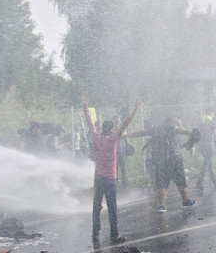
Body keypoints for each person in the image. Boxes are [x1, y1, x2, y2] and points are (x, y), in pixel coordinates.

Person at [83, 100, 139, 243]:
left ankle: (95, 233)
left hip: (98, 177)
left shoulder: (96, 138)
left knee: (97, 205)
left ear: (102, 128)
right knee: (112, 207)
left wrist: (86, 110)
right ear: (112, 129)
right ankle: (114, 234)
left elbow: (90, 125)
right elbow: (125, 123)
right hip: (110, 178)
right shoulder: (112, 139)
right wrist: (135, 109)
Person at [127, 116, 196, 213]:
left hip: (160, 160)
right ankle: (186, 201)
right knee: (180, 181)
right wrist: (190, 132)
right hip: (174, 158)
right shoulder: (172, 128)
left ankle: (162, 206)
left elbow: (143, 133)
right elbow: (181, 130)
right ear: (172, 123)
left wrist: (127, 135)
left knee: (161, 183)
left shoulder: (155, 129)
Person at [196, 107, 216, 190]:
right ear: (211, 112)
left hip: (202, 145)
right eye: (213, 113)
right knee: (206, 163)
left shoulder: (201, 121)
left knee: (208, 163)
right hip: (209, 145)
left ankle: (214, 181)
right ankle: (199, 181)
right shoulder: (211, 122)